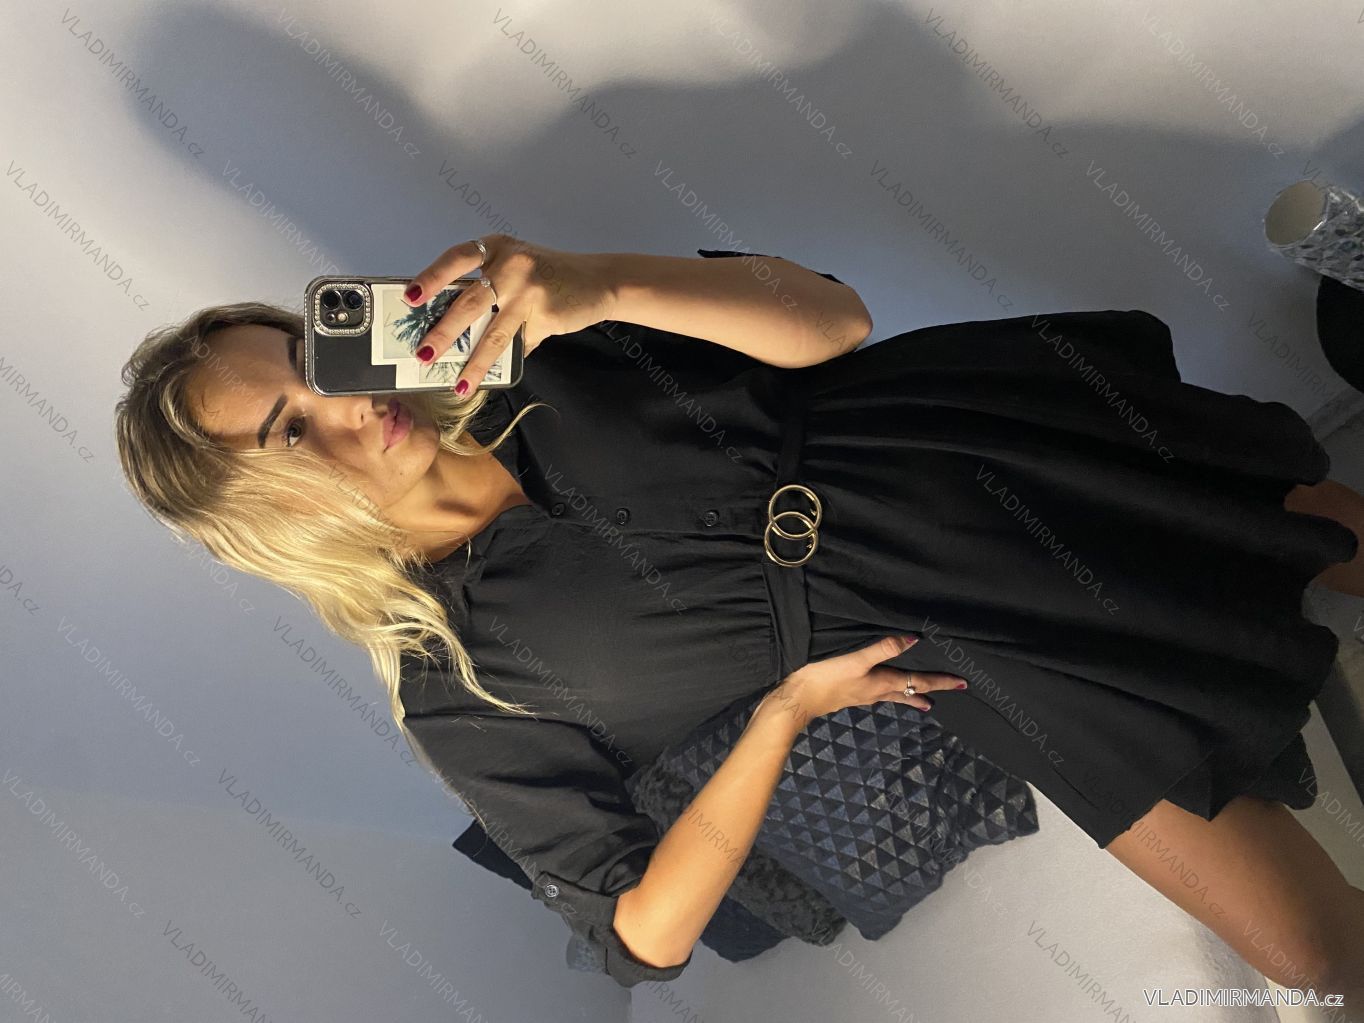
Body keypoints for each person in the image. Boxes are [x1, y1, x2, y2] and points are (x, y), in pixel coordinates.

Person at [115, 235, 1364, 1011]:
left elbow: (832, 319)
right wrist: (780, 719)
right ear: (259, 514)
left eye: (312, 362)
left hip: (989, 445)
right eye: (286, 430)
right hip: (979, 651)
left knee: (1330, 540)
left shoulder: (529, 338)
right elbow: (636, 935)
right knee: (1312, 954)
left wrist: (594, 281)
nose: (344, 406)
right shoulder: (459, 682)